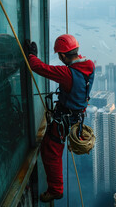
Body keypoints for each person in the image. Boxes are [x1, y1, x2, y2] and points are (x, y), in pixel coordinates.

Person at [26, 34, 95, 202]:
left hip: (64, 119)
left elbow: (41, 68)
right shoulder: (90, 66)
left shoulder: (67, 73)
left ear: (63, 55)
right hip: (76, 117)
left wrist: (31, 56)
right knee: (52, 149)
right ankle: (55, 188)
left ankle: (56, 190)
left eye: (59, 55)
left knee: (51, 151)